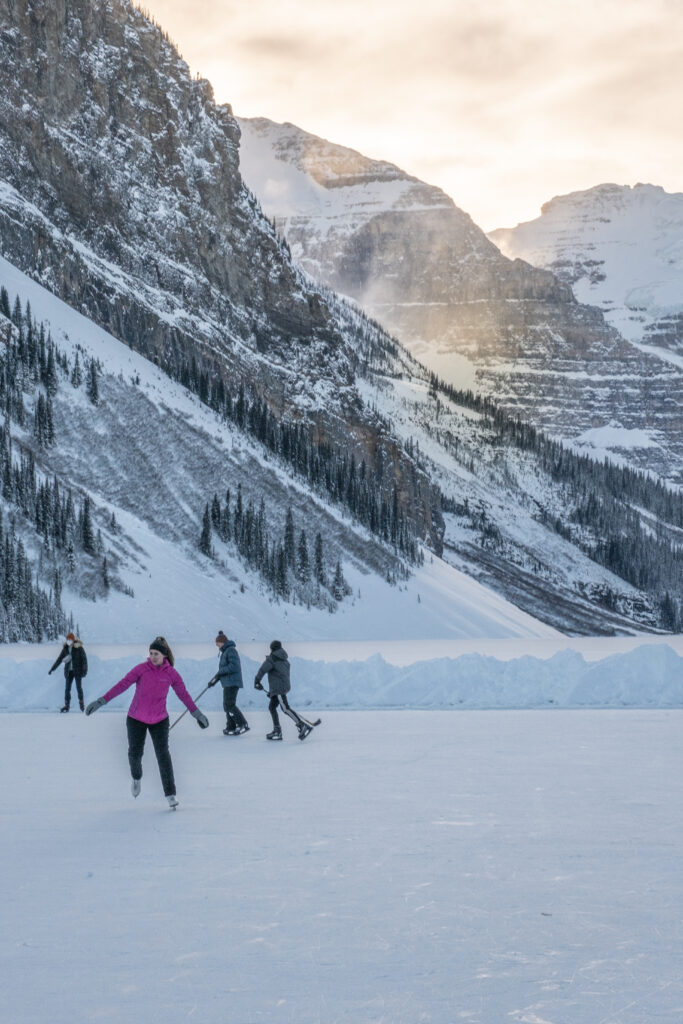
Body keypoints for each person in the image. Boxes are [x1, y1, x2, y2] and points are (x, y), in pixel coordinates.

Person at [85, 636, 208, 809]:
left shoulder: (171, 674)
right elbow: (122, 685)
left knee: (163, 756)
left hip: (159, 720)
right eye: (150, 653)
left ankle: (171, 794)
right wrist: (101, 701)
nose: (152, 656)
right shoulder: (141, 669)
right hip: (136, 719)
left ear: (164, 655)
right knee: (134, 755)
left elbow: (184, 695)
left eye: (156, 653)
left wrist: (197, 714)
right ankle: (136, 777)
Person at [254, 640, 316, 741]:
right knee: (272, 707)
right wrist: (273, 692)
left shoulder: (272, 658)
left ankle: (301, 725)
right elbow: (280, 675)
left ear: (272, 648)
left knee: (285, 708)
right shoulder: (284, 659)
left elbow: (263, 670)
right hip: (281, 687)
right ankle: (277, 731)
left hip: (279, 688)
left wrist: (256, 681)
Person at [208, 630, 249, 736]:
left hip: (233, 682)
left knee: (229, 705)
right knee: (227, 705)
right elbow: (222, 671)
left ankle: (242, 723)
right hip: (228, 683)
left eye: (217, 642)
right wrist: (213, 681)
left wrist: (220, 673)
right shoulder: (225, 652)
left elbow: (234, 666)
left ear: (222, 642)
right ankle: (231, 726)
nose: (216, 644)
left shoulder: (231, 650)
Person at [48, 632, 88, 713]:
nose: (69, 641)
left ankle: (82, 705)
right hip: (68, 672)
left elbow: (84, 660)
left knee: (78, 688)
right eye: (68, 640)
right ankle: (67, 706)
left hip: (77, 671)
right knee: (67, 689)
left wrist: (84, 671)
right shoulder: (65, 648)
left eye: (70, 640)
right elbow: (59, 659)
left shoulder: (79, 648)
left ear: (73, 640)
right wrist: (52, 669)